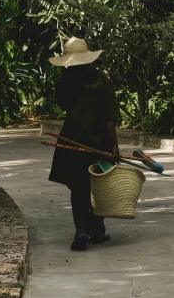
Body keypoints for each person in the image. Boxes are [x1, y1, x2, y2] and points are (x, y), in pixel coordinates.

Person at [48, 37, 120, 251]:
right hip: (99, 140)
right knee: (99, 184)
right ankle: (96, 229)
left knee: (79, 185)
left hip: (74, 138)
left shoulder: (64, 83)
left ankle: (82, 230)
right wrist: (114, 146)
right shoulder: (101, 80)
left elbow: (63, 104)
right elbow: (110, 117)